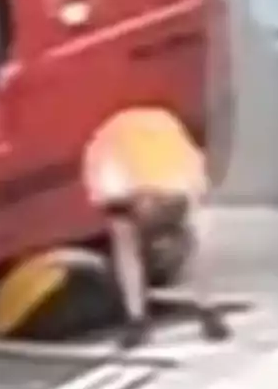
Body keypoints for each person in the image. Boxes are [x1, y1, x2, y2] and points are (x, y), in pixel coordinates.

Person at [82, 106, 232, 349]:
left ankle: (207, 309)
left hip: (164, 156)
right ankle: (137, 319)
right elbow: (111, 201)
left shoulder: (184, 182)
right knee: (125, 243)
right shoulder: (113, 186)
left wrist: (209, 308)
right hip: (119, 154)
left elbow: (199, 240)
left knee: (201, 240)